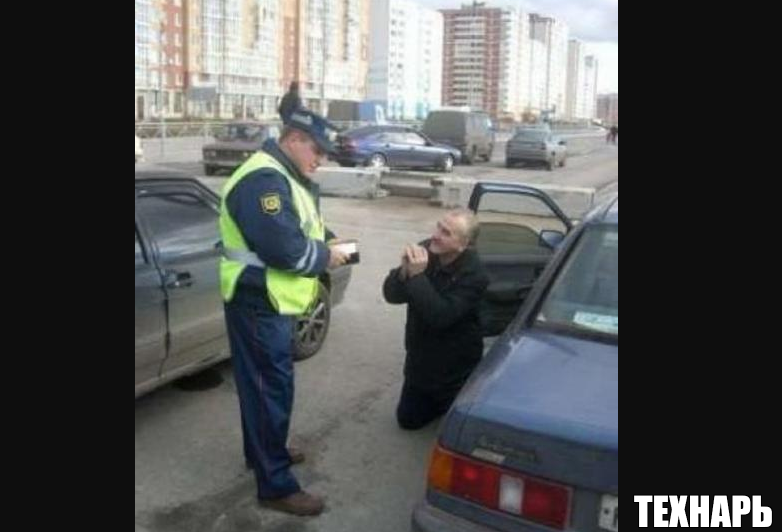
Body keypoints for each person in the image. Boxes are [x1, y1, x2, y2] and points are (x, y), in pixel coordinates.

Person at [219, 108, 349, 516]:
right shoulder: (265, 180)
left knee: (265, 386)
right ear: (293, 138)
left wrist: (328, 239)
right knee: (268, 388)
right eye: (317, 149)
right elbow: (287, 251)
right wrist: (328, 255)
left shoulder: (284, 175)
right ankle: (274, 484)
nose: (321, 159)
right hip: (260, 301)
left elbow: (299, 227)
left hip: (270, 301)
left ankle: (262, 452)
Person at [382, 209, 489, 430]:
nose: (436, 235)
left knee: (456, 425)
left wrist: (417, 276)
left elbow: (440, 317)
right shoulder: (427, 251)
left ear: (464, 244)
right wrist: (403, 271)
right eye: (438, 226)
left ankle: (457, 399)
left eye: (446, 232)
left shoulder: (475, 275)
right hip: (420, 355)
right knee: (408, 421)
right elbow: (391, 296)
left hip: (453, 364)